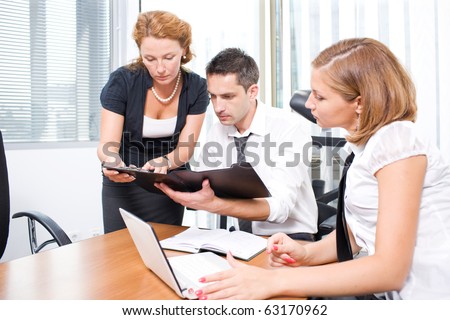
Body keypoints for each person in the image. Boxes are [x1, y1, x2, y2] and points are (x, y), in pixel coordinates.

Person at [192, 38, 450, 300]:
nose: (309, 103)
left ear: (359, 103)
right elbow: (354, 234)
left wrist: (274, 281)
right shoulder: (366, 148)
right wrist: (307, 254)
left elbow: (389, 270)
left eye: (320, 96)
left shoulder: (397, 140)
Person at [156, 48, 318, 241]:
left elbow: (280, 207)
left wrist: (214, 204)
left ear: (252, 92)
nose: (217, 107)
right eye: (213, 97)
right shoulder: (219, 129)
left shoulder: (290, 128)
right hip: (241, 239)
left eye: (227, 97)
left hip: (291, 237)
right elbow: (203, 185)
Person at [97, 11, 209, 233]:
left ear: (184, 50)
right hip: (124, 184)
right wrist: (112, 163)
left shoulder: (197, 87)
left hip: (167, 182)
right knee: (118, 254)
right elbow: (107, 145)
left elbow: (185, 150)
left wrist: (165, 162)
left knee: (166, 248)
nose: (160, 68)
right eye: (150, 59)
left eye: (169, 57)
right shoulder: (122, 82)